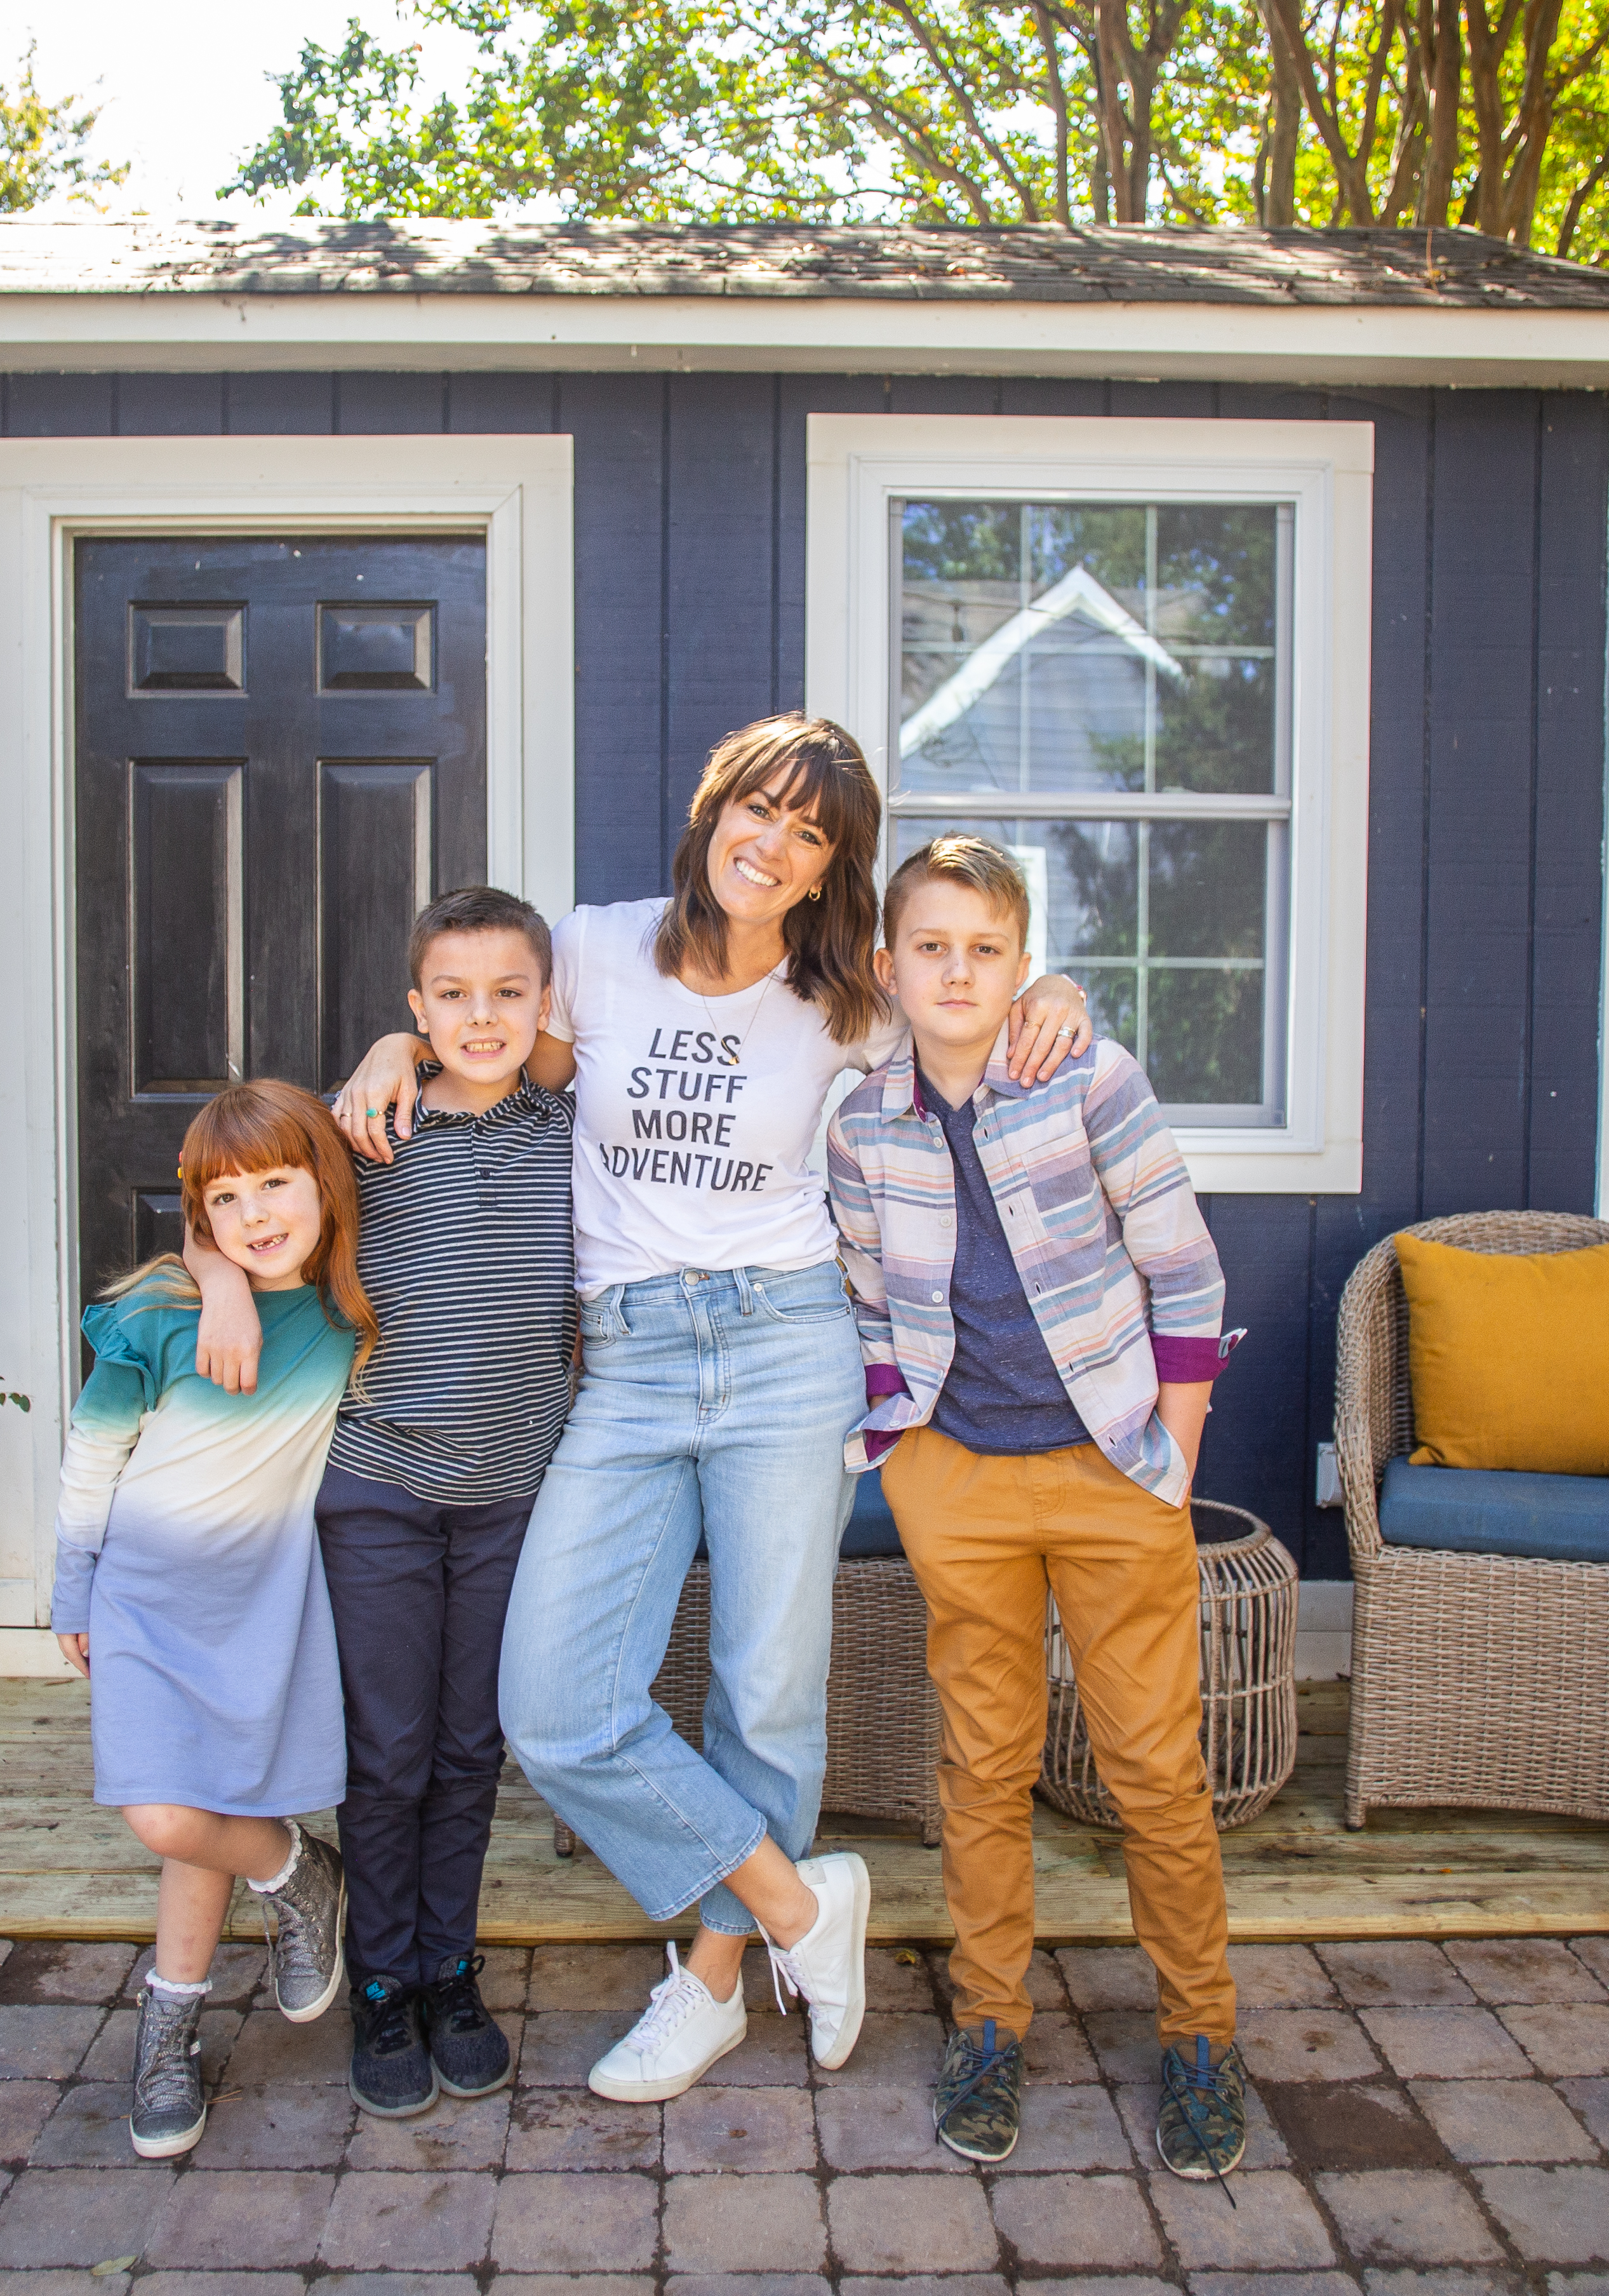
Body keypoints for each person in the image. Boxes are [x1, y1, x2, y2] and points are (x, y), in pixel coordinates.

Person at [310, 715, 1095, 2105]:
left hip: (788, 1343)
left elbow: (966, 995)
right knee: (550, 1704)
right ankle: (800, 1908)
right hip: (624, 1360)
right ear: (713, 807)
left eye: (812, 834)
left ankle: (715, 1984)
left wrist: (1065, 990)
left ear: (826, 869)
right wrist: (390, 1042)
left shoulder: (845, 990)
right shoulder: (595, 948)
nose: (776, 845)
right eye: (761, 809)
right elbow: (480, 1041)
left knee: (766, 1694)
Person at [824, 833, 1252, 2180]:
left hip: (1116, 1465)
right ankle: (990, 2022)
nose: (958, 971)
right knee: (984, 1761)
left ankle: (1200, 2032)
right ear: (889, 966)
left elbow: (1184, 1272)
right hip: (958, 1475)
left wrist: (1173, 1453)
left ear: (1023, 964)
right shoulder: (860, 1121)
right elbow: (864, 1293)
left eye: (987, 949)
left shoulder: (1088, 1080)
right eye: (932, 948)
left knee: (1152, 1767)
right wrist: (902, 1438)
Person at [50, 1080, 372, 2161]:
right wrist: (70, 1581)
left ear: (323, 1184)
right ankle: (298, 1872)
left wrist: (234, 1270)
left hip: (261, 1601)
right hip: (142, 1595)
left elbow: (371, 1136)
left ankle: (170, 2030)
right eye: (226, 1202)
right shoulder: (159, 1312)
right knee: (163, 1813)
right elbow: (94, 1456)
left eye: (277, 1186)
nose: (256, 1215)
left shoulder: (346, 1314)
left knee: (204, 1800)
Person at [310, 888, 577, 2118]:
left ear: (543, 1003)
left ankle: (448, 1969)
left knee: (474, 1747)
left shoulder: (574, 1127)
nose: (483, 1017)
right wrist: (209, 1278)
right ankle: (380, 1986)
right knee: (392, 1750)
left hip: (513, 1492)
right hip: (378, 1485)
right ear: (416, 1010)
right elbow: (235, 1201)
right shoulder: (367, 1126)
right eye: (452, 997)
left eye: (508, 993)